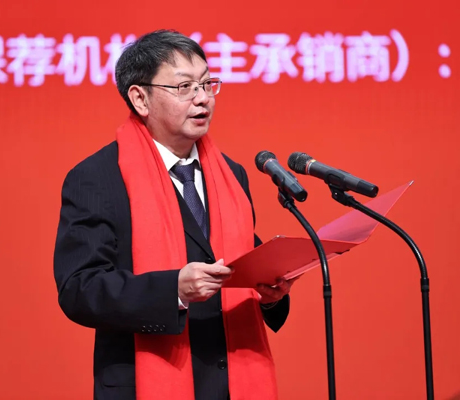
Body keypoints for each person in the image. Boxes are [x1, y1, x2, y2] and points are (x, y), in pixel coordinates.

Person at [53, 29, 296, 400]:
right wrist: (173, 291)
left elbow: (245, 265)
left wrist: (271, 293)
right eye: (185, 87)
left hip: (232, 384)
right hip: (143, 385)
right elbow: (79, 289)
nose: (202, 98)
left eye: (207, 84)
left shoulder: (232, 175)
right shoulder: (97, 177)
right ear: (140, 98)